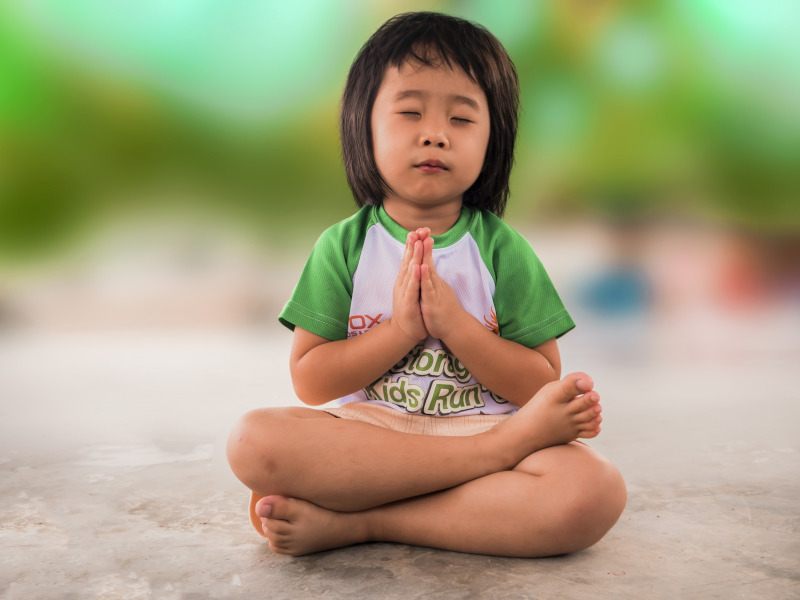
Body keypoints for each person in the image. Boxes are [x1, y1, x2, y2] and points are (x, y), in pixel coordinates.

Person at [227, 11, 626, 557]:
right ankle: (470, 474)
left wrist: (455, 327)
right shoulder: (343, 247)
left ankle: (361, 523)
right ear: (364, 126)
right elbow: (312, 382)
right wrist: (401, 330)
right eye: (410, 111)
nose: (434, 133)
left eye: (462, 120)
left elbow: (539, 384)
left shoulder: (502, 249)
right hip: (372, 437)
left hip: (484, 429)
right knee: (253, 442)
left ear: (494, 140)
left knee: (592, 493)